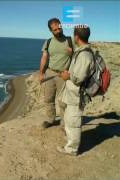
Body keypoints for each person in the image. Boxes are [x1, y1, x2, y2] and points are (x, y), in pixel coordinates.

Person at [57, 25, 94, 156]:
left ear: (77, 37)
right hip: (73, 93)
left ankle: (72, 149)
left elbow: (78, 78)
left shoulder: (84, 55)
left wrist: (67, 75)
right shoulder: (82, 52)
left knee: (73, 121)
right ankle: (71, 142)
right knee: (69, 119)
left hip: (77, 95)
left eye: (74, 35)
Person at [39, 18, 74, 128]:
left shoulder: (70, 40)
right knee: (48, 99)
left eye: (59, 28)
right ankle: (51, 119)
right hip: (50, 73)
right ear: (51, 31)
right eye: (55, 30)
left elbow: (79, 57)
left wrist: (72, 53)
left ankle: (64, 124)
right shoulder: (48, 42)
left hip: (63, 75)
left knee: (63, 102)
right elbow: (44, 58)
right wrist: (41, 74)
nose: (58, 31)